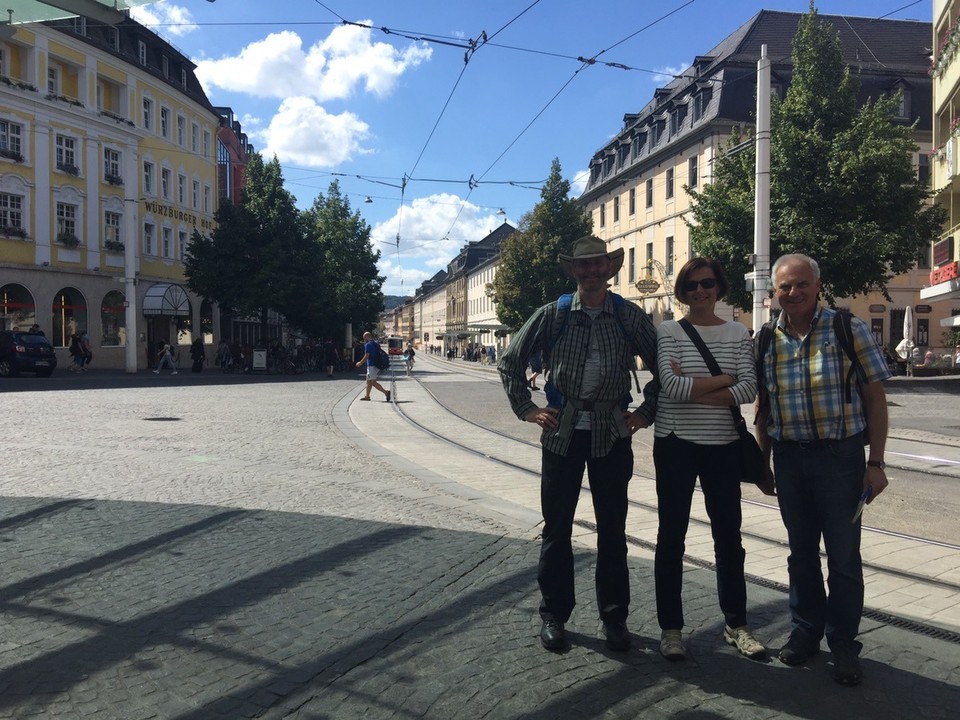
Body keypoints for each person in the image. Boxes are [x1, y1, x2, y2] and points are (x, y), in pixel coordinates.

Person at [498, 235, 658, 653]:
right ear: (574, 271)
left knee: (613, 529)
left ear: (609, 268)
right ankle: (554, 614)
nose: (590, 271)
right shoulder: (553, 315)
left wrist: (645, 412)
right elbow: (510, 361)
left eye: (597, 264)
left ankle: (614, 617)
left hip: (611, 431)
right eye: (582, 266)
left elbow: (665, 366)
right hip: (562, 432)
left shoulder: (628, 316)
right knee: (556, 529)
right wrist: (527, 409)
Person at [755, 253, 890, 687]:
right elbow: (763, 406)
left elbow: (875, 398)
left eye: (800, 285)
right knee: (801, 553)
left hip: (841, 458)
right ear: (773, 292)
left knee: (844, 558)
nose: (792, 293)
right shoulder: (765, 339)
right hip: (790, 458)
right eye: (784, 287)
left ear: (817, 285)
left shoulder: (846, 328)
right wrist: (763, 462)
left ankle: (844, 643)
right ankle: (806, 631)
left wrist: (876, 463)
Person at [652, 258, 766, 663]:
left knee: (729, 539)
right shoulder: (668, 330)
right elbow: (671, 386)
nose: (700, 291)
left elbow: (750, 389)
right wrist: (724, 380)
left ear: (720, 288)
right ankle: (671, 629)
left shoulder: (738, 332)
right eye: (691, 285)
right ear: (682, 291)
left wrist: (695, 386)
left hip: (720, 444)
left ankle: (737, 624)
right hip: (675, 442)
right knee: (671, 538)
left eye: (708, 283)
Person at [355, 331, 390, 402]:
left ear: (367, 337)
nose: (364, 340)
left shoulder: (368, 345)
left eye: (364, 338)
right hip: (376, 364)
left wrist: (360, 363)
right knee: (368, 381)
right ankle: (367, 396)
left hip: (372, 365)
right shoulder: (376, 344)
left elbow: (367, 355)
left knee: (373, 382)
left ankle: (386, 392)